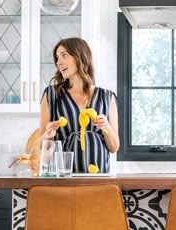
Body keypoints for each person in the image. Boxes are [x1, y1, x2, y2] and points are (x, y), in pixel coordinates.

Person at [40, 37, 119, 173]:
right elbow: (42, 147)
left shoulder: (107, 97)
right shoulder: (51, 95)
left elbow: (114, 147)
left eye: (64, 55)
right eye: (57, 58)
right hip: (64, 180)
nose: (59, 62)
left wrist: (106, 127)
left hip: (99, 180)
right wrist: (47, 136)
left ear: (80, 57)